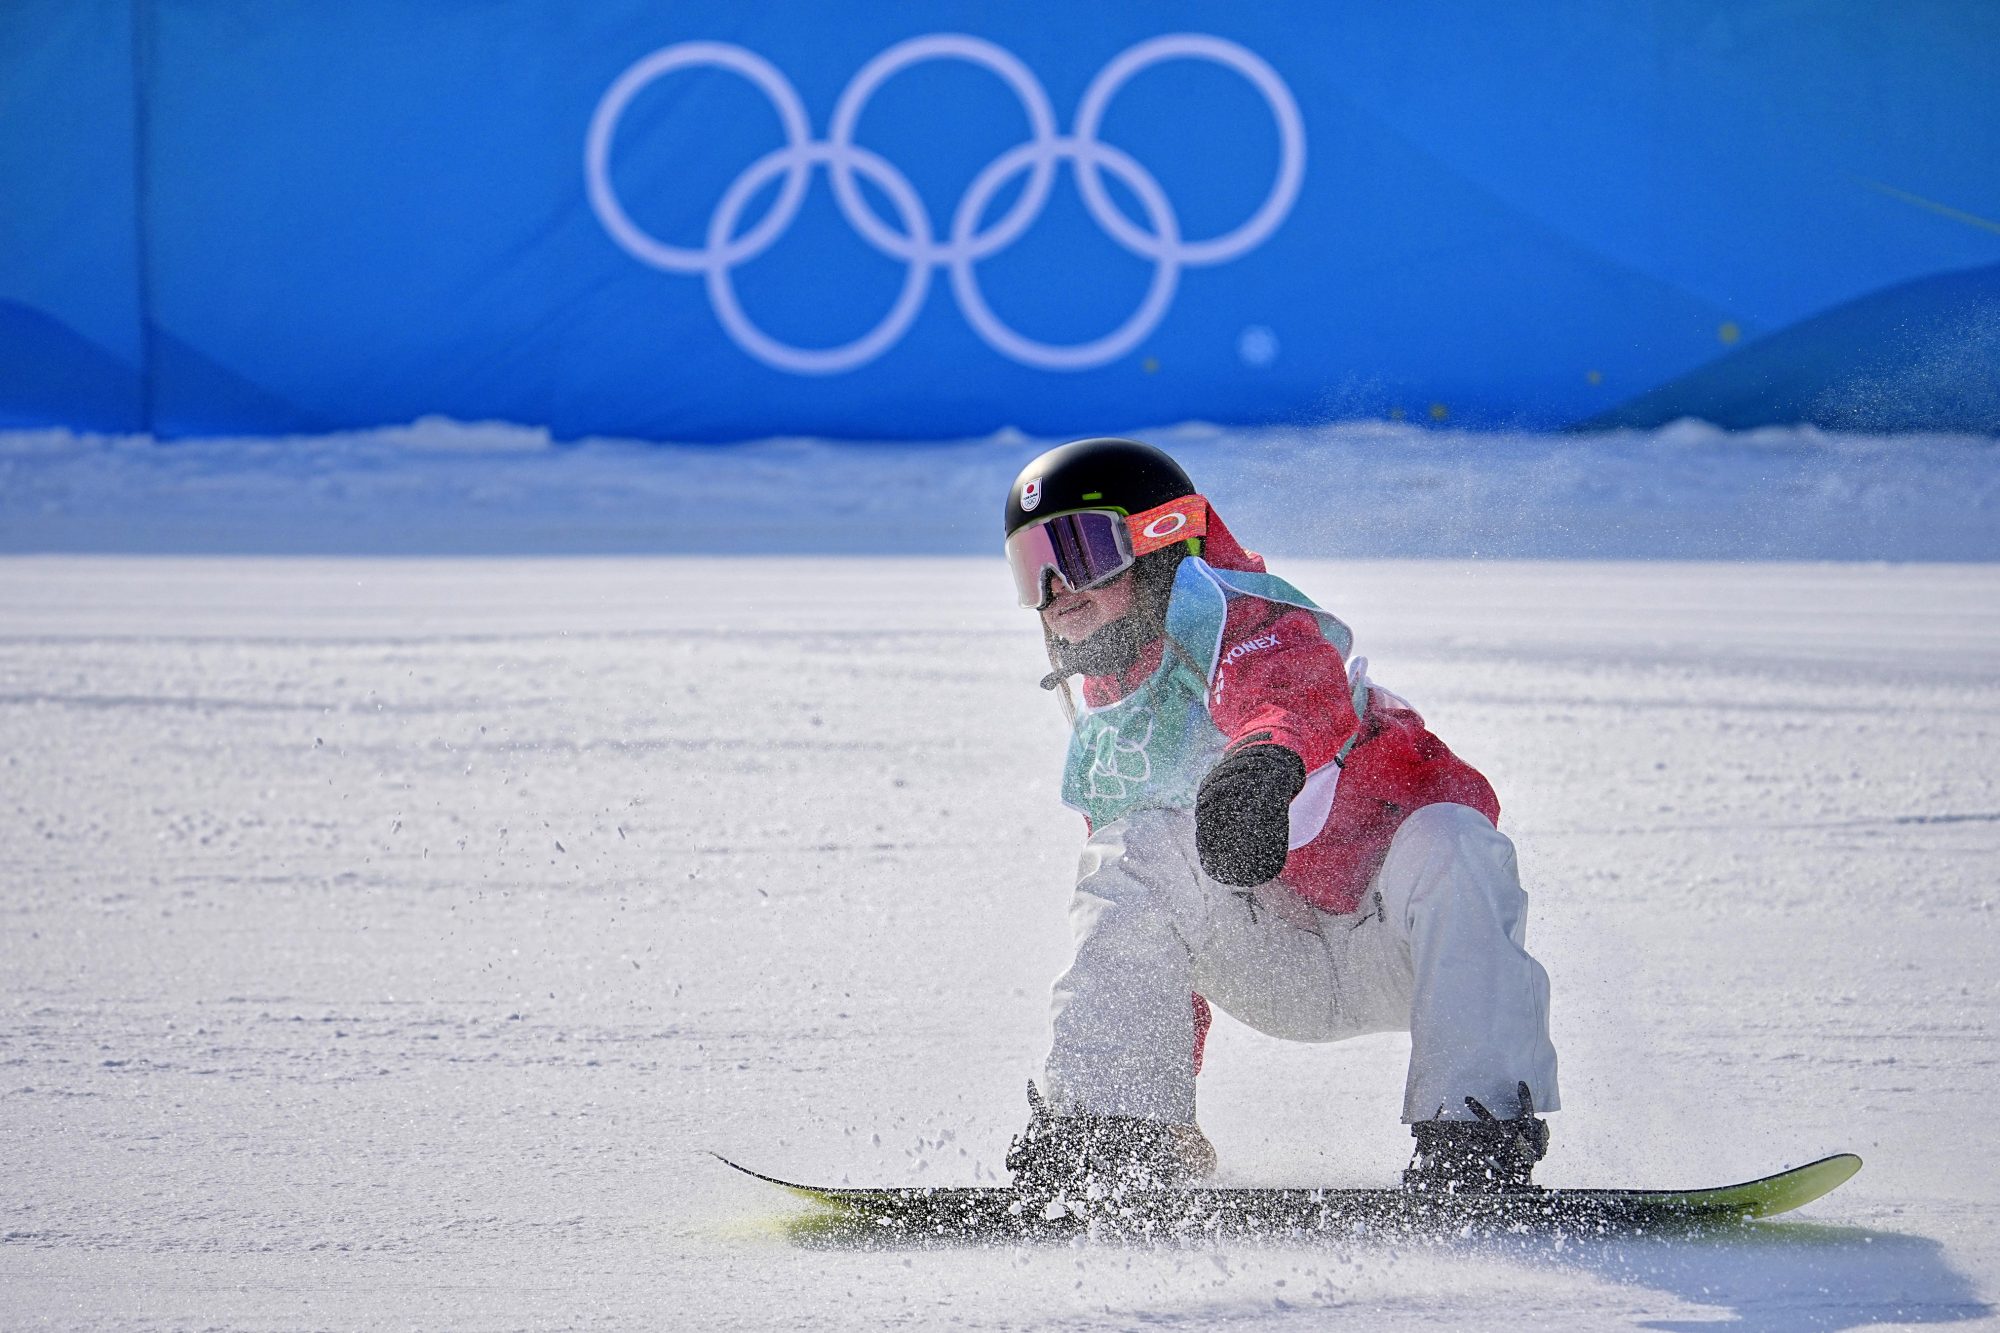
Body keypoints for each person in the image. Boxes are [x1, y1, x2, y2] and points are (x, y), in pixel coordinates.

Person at [998, 437, 1560, 1196]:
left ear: (1161, 540)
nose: (1059, 589)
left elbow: (1290, 692)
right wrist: (1157, 1110)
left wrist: (1267, 761)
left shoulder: (1251, 619)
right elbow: (1142, 922)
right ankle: (1113, 1137)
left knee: (1455, 840)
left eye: (1080, 551)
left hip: (1393, 942)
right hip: (1268, 959)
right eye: (1034, 566)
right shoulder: (1120, 730)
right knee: (1132, 852)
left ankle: (1475, 1141)